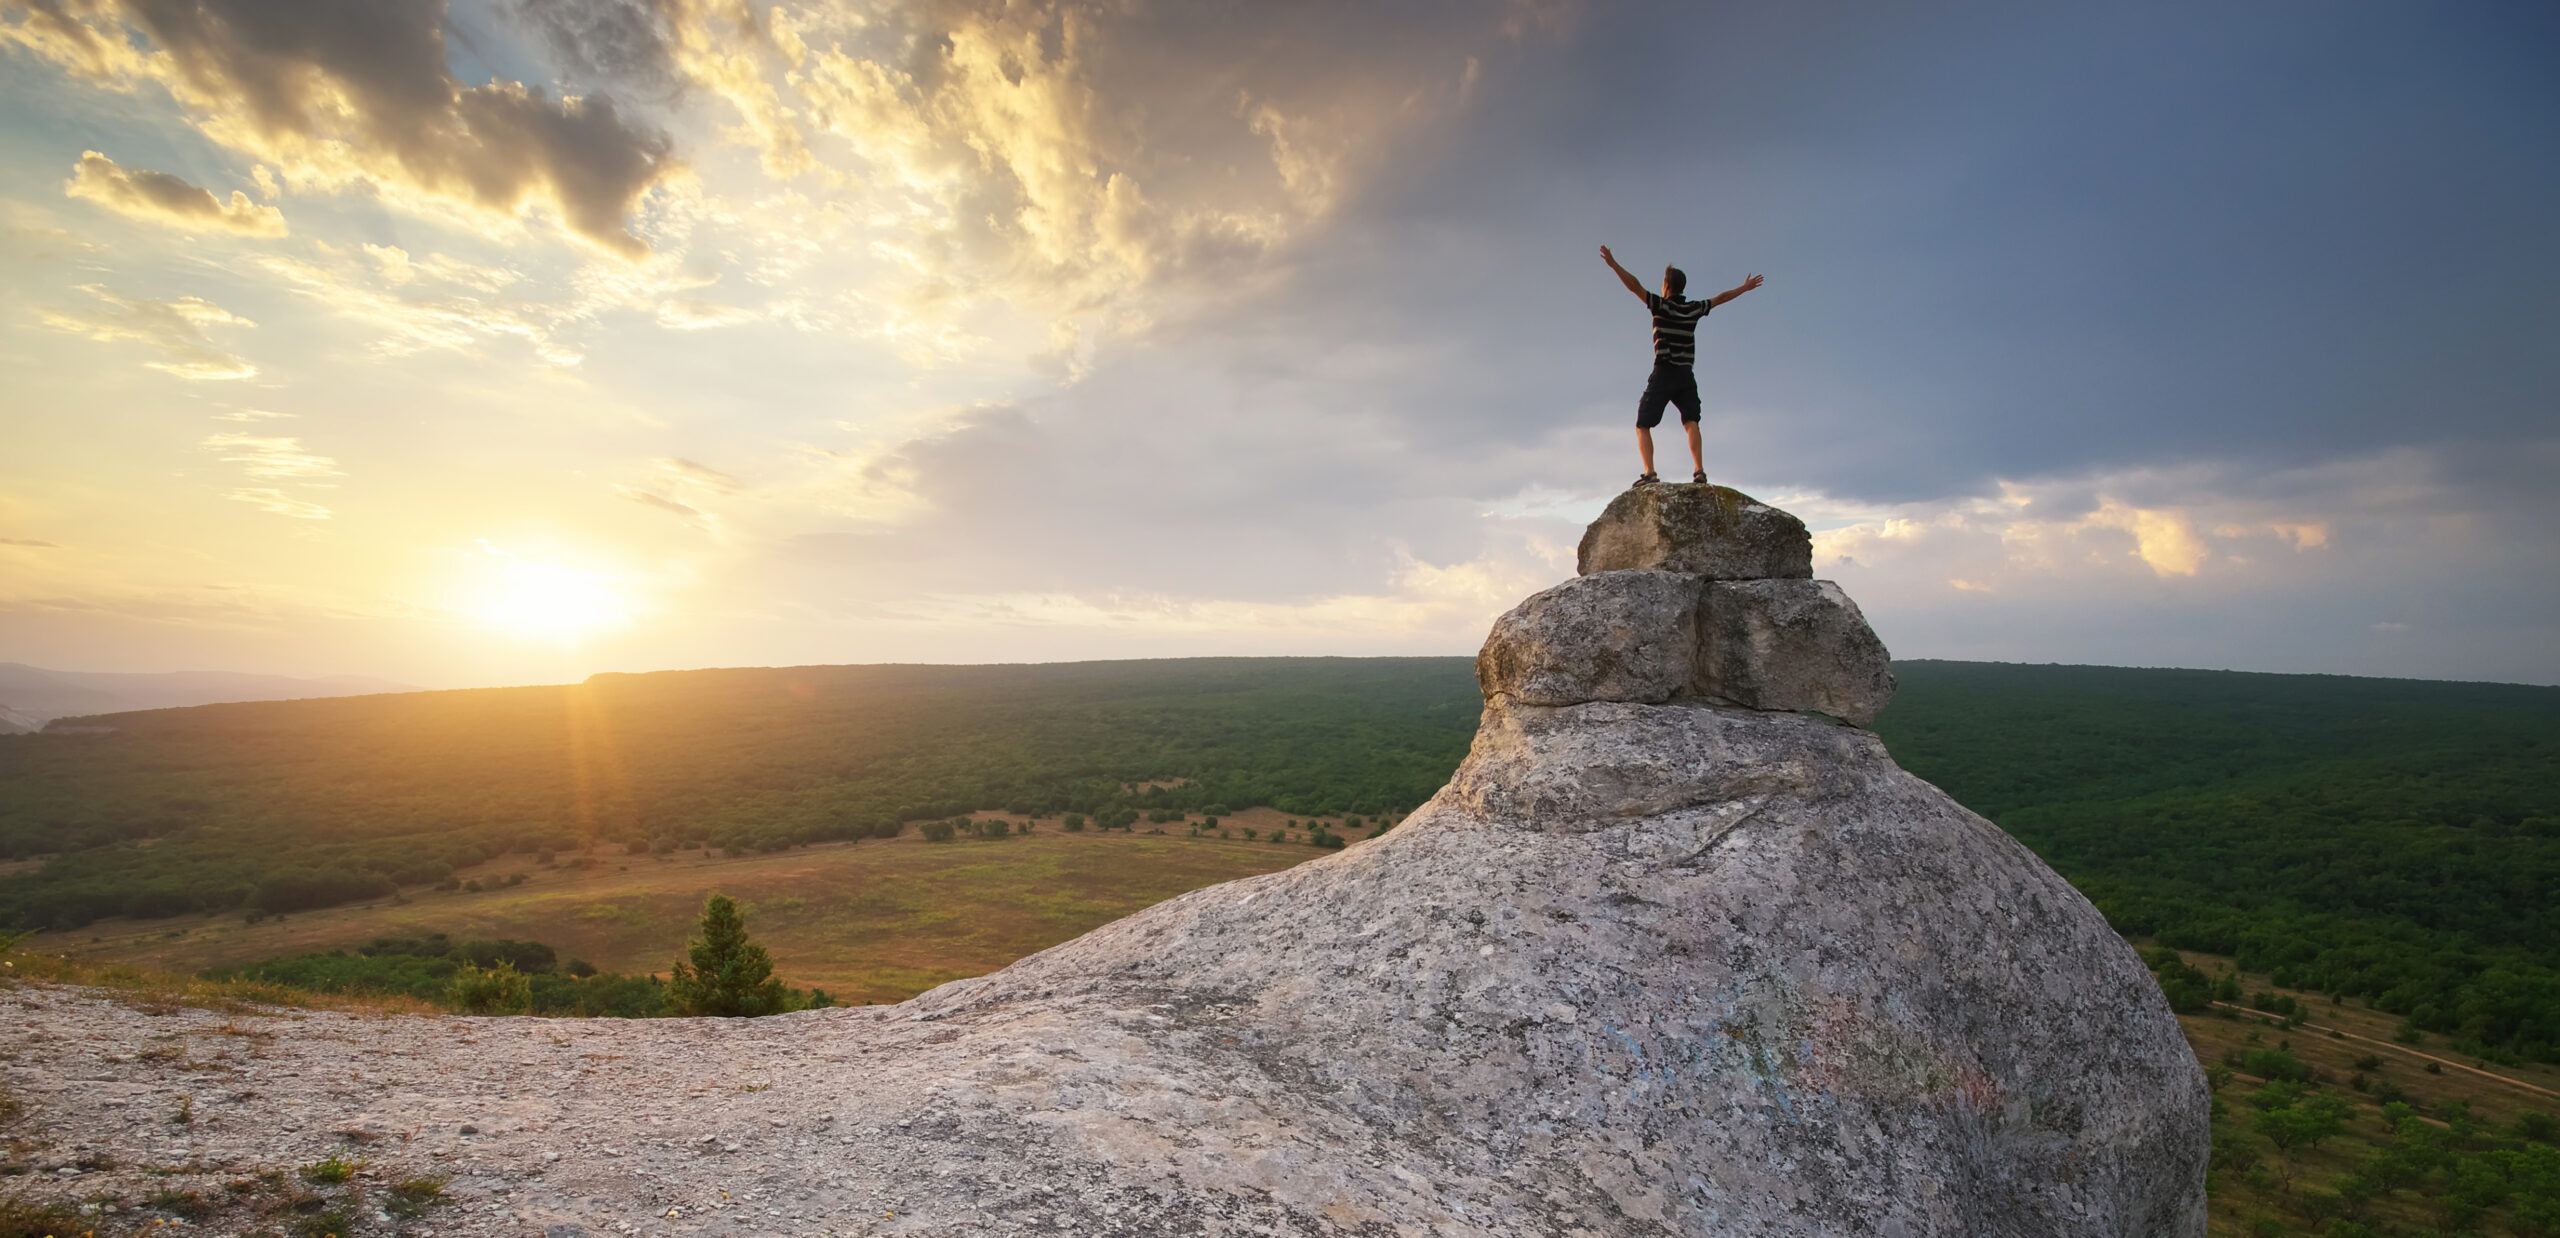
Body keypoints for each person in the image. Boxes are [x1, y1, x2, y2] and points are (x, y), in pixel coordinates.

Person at [1599, 246, 1762, 486]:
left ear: (1666, 285)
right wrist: (1744, 288)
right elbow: (1720, 298)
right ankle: (1699, 471)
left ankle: (1650, 473)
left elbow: (1634, 286)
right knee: (1691, 421)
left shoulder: (1660, 306)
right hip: (1686, 374)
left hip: (1664, 371)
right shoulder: (1692, 309)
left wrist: (1614, 265)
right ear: (1682, 287)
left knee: (1642, 424)